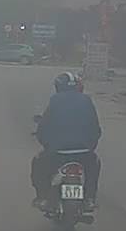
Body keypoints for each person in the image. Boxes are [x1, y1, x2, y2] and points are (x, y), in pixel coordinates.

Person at [32, 72, 102, 212]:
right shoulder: (87, 100)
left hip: (58, 152)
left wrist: (47, 144)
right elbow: (96, 128)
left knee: (38, 164)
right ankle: (89, 199)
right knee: (94, 167)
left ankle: (43, 197)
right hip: (84, 153)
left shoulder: (55, 100)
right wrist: (90, 147)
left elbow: (43, 127)